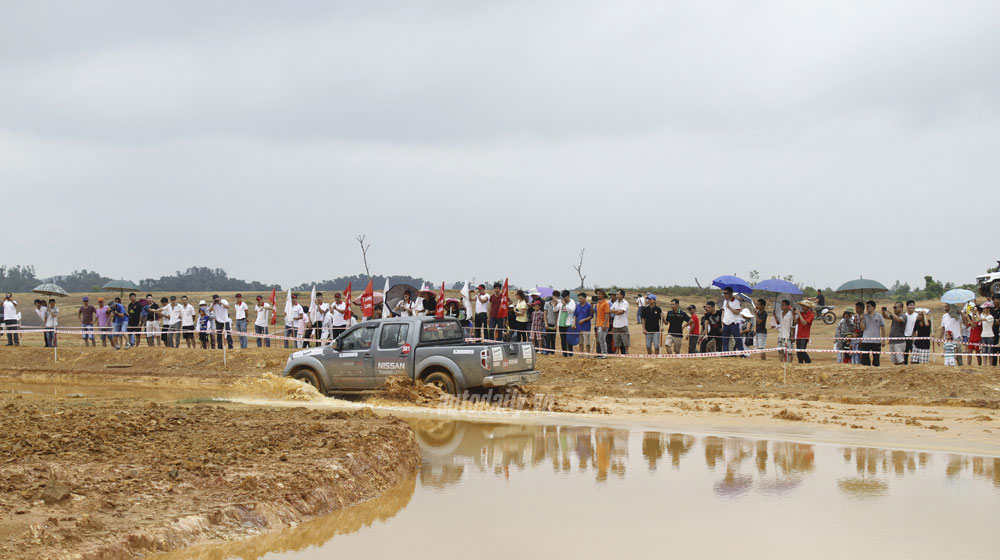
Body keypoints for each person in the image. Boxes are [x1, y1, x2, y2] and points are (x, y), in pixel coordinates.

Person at [859, 300, 886, 366]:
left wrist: (883, 340)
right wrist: (861, 320)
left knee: (876, 358)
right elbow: (863, 328)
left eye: (868, 306)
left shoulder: (879, 316)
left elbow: (883, 328)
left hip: (876, 341)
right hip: (866, 340)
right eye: (866, 307)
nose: (867, 308)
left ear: (873, 307)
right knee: (865, 358)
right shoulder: (864, 316)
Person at [719, 288, 744, 354]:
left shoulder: (736, 302)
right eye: (723, 293)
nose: (724, 294)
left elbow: (737, 312)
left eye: (725, 293)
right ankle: (725, 354)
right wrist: (723, 319)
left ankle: (742, 354)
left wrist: (729, 307)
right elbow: (724, 311)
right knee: (725, 340)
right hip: (726, 323)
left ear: (730, 293)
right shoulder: (725, 301)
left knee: (737, 339)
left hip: (734, 323)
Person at [884, 301, 907, 366]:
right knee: (894, 360)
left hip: (899, 342)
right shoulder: (894, 316)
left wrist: (891, 312)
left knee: (900, 360)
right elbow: (885, 316)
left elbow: (898, 320)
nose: (894, 309)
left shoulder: (903, 316)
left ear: (901, 308)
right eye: (893, 307)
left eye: (895, 307)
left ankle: (903, 372)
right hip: (892, 341)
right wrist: (883, 311)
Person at [972, 303, 995, 367]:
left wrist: (976, 312)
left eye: (985, 308)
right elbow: (975, 320)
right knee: (984, 352)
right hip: (983, 335)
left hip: (990, 336)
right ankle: (984, 365)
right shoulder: (983, 316)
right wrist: (974, 314)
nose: (983, 309)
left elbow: (979, 319)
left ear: (988, 309)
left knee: (990, 352)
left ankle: (990, 365)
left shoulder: (991, 317)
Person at [555, 290, 577, 357]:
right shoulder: (561, 302)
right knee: (563, 339)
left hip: (568, 323)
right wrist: (555, 304)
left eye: (565, 297)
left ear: (568, 296)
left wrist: (565, 305)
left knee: (569, 339)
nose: (564, 298)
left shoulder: (572, 302)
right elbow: (555, 309)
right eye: (563, 297)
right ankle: (564, 353)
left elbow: (571, 310)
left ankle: (570, 353)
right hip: (561, 323)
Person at [610, 289, 630, 354]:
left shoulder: (625, 303)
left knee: (625, 338)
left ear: (622, 295)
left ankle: (627, 351)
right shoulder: (615, 303)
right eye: (616, 294)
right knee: (616, 338)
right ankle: (617, 351)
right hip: (615, 324)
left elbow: (621, 312)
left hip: (623, 323)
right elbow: (610, 310)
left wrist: (615, 311)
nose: (616, 295)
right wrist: (617, 311)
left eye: (618, 294)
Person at [593, 289, 610, 357]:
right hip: (598, 324)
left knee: (602, 339)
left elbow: (606, 314)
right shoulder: (598, 303)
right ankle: (602, 353)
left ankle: (604, 353)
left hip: (603, 324)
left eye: (599, 294)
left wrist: (605, 324)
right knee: (600, 339)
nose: (598, 295)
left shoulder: (606, 303)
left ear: (603, 295)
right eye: (597, 294)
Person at [903, 300, 917, 364]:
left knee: (914, 353)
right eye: (910, 305)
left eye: (913, 305)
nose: (912, 306)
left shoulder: (916, 315)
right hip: (905, 336)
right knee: (905, 353)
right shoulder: (904, 315)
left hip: (913, 337)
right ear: (907, 306)